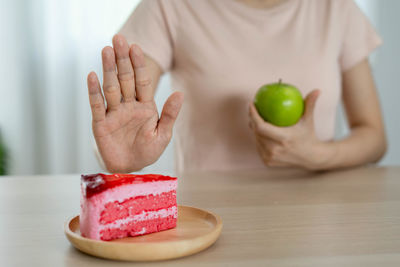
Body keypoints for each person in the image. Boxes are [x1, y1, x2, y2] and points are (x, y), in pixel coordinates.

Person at [87, 0, 387, 174]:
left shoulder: (336, 7)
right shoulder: (169, 6)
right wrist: (117, 159)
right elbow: (124, 121)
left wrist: (317, 154)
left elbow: (374, 137)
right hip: (211, 221)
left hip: (320, 215)